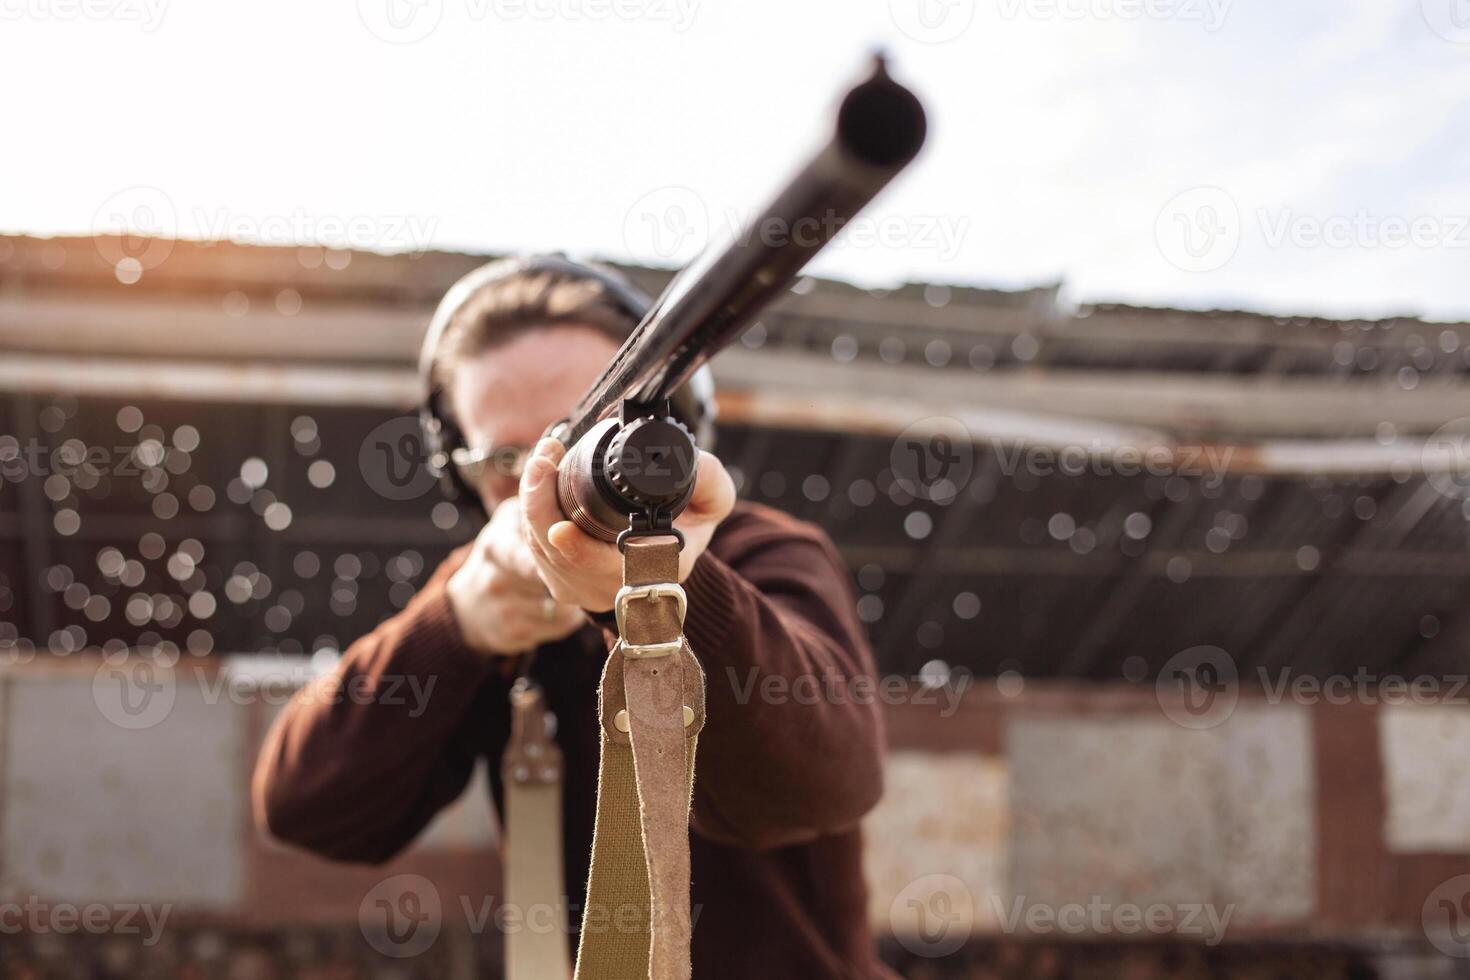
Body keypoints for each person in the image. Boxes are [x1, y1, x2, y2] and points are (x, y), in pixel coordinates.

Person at [251, 257, 894, 978]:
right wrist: (455, 628)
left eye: (576, 440)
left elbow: (825, 783)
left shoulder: (766, 553)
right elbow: (305, 808)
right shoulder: (486, 597)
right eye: (504, 460)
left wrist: (667, 593)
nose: (539, 481)